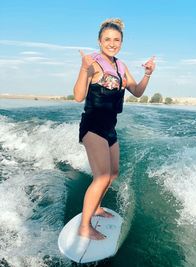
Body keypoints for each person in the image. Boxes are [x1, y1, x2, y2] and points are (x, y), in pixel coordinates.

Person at [73, 18, 155, 240]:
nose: (112, 43)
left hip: (110, 128)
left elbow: (136, 91)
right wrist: (83, 68)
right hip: (92, 126)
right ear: (99, 41)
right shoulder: (94, 64)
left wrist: (147, 74)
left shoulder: (121, 66)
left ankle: (97, 207)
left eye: (116, 39)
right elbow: (79, 96)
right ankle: (84, 226)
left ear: (121, 42)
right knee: (101, 176)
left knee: (113, 174)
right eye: (107, 39)